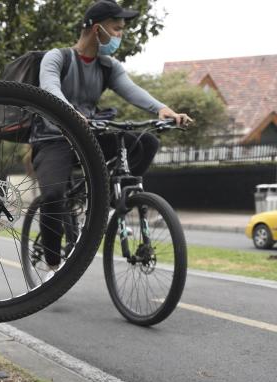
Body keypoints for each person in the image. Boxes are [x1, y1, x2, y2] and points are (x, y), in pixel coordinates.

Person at [33, 0, 194, 268]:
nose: (121, 34)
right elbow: (50, 89)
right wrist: (70, 112)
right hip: (54, 138)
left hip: (90, 135)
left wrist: (163, 109)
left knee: (147, 142)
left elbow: (131, 90)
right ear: (97, 30)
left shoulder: (108, 66)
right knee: (53, 196)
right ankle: (52, 260)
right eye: (117, 29)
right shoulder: (57, 58)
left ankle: (106, 203)